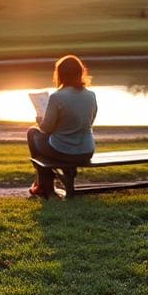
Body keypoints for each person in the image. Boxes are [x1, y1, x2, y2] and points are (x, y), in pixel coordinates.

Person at [27, 54, 98, 197]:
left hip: (63, 152)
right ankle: (43, 184)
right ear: (80, 73)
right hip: (86, 151)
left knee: (32, 133)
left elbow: (46, 129)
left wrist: (40, 120)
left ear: (60, 74)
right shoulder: (91, 95)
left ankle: (45, 186)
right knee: (43, 137)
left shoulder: (57, 97)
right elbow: (89, 122)